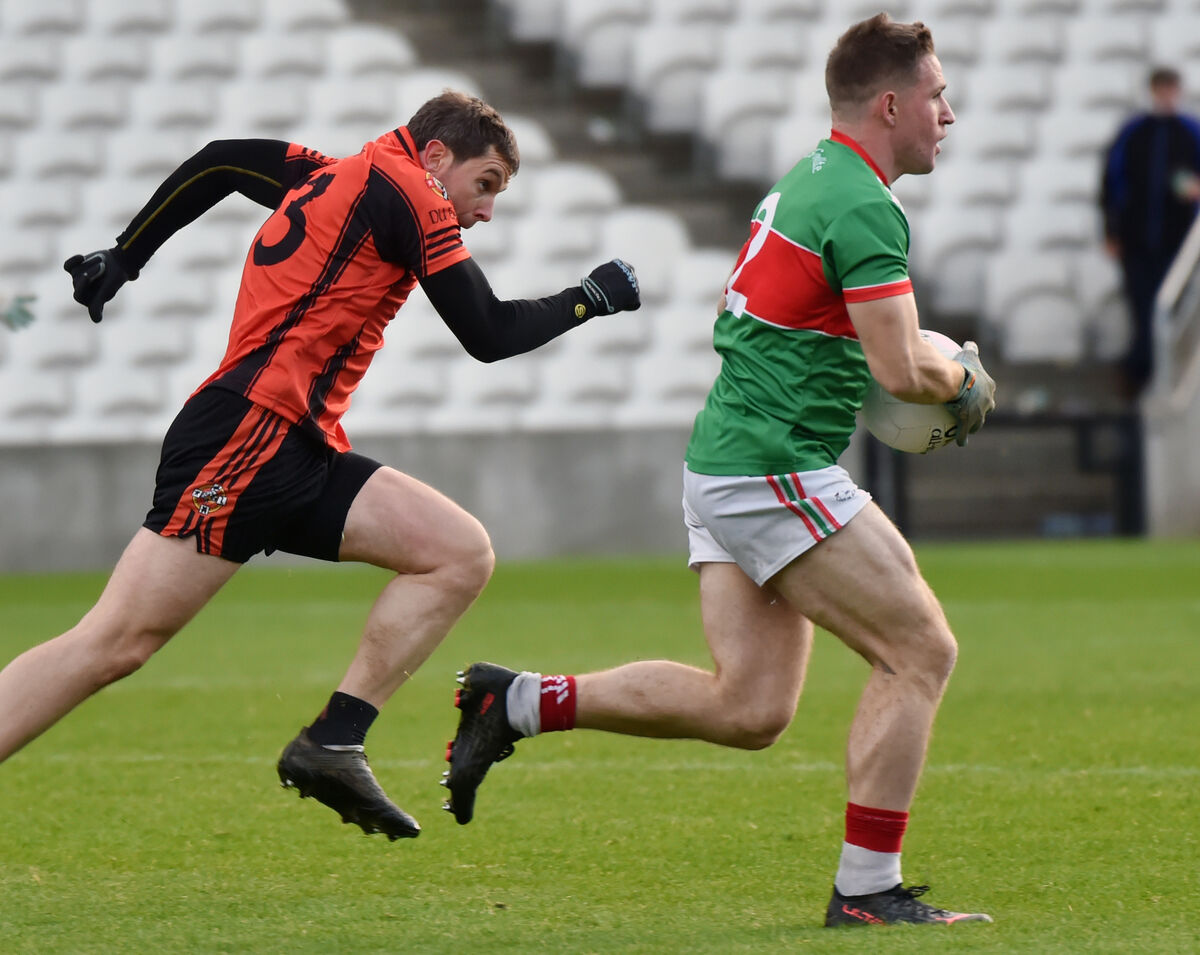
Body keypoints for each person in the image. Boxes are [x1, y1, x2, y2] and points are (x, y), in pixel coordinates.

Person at [443, 14, 997, 928]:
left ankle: (518, 702)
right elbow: (902, 370)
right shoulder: (861, 203)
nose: (949, 113)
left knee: (750, 707)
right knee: (920, 651)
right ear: (892, 105)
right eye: (937, 95)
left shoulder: (809, 181)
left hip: (730, 459)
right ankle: (868, 890)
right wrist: (964, 381)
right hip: (773, 467)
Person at [0, 90, 641, 840]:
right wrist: (589, 298)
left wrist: (126, 255)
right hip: (248, 434)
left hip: (294, 445)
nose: (486, 210)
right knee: (113, 642)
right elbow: (489, 332)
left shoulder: (333, 173)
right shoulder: (413, 191)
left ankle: (334, 740)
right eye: (486, 183)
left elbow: (219, 163)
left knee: (457, 553)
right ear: (437, 156)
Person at [1101, 66, 1200, 398]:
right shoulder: (1134, 132)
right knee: (1143, 312)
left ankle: (1156, 382)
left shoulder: (1190, 132)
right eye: (1162, 89)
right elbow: (1112, 182)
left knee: (1170, 311)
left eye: (1171, 90)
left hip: (1178, 243)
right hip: (1137, 243)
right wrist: (1112, 232)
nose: (1167, 96)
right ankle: (1140, 382)